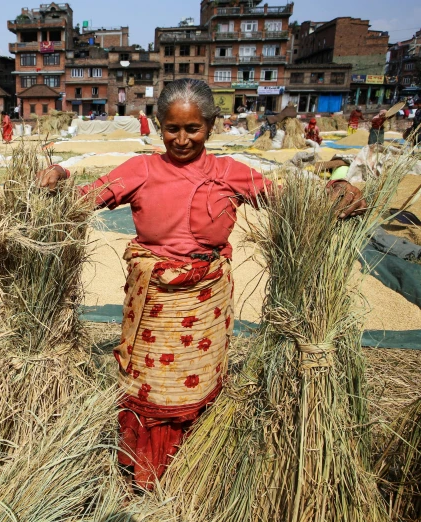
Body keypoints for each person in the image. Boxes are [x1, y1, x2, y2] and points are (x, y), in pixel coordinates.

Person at [37, 79, 366, 487]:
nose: (181, 138)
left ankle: (194, 467)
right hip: (156, 305)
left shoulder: (230, 172)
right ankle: (145, 473)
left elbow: (288, 200)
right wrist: (60, 174)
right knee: (152, 390)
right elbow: (86, 197)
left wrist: (336, 189)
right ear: (159, 126)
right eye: (171, 128)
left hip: (204, 302)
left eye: (192, 128)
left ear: (210, 125)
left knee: (199, 384)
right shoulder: (141, 170)